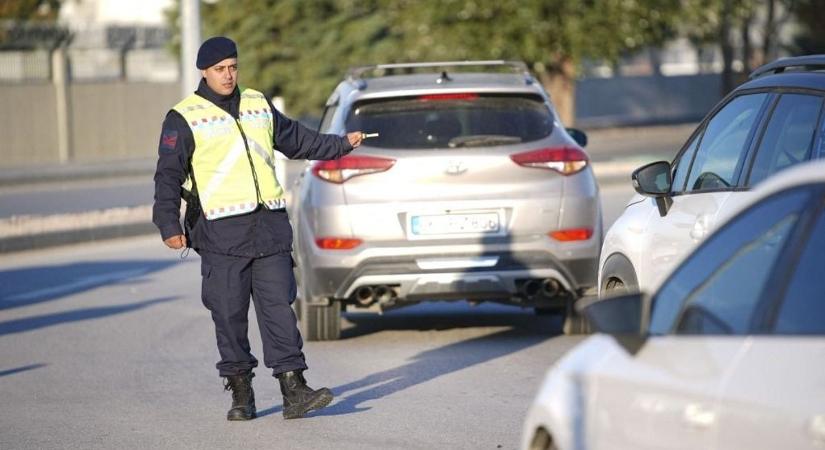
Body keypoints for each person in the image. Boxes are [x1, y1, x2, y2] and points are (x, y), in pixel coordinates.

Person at [152, 36, 362, 420]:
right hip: (220, 234)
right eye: (220, 69)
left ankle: (293, 389)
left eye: (233, 67)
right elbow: (167, 176)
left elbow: (297, 140)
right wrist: (168, 223)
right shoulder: (183, 117)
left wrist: (340, 144)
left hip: (269, 229)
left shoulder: (257, 104)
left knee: (279, 310)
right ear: (204, 71)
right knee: (229, 315)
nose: (228, 75)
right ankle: (241, 393)